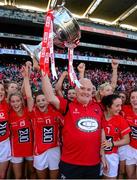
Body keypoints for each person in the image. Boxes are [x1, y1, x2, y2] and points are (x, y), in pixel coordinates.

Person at [41, 72, 108, 179]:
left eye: (88, 89)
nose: (85, 92)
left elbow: (102, 131)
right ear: (76, 90)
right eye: (82, 88)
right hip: (70, 163)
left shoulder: (99, 108)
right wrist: (43, 72)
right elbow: (49, 96)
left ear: (92, 92)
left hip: (93, 164)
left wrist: (102, 153)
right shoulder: (67, 105)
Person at [23, 63, 63, 179]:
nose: (41, 102)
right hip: (39, 151)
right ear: (36, 103)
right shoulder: (33, 113)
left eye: (43, 100)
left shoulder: (56, 112)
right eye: (38, 101)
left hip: (54, 150)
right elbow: (29, 97)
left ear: (48, 101)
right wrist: (26, 77)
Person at [101, 94, 130, 179]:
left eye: (121, 105)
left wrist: (112, 143)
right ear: (108, 107)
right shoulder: (99, 115)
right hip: (95, 154)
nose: (120, 108)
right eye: (117, 106)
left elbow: (127, 140)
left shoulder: (121, 120)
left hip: (111, 155)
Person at [8, 92, 35, 179]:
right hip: (16, 151)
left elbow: (30, 97)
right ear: (10, 103)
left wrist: (26, 78)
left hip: (30, 149)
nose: (16, 104)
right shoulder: (9, 115)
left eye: (18, 101)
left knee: (32, 172)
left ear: (22, 101)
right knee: (18, 177)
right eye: (13, 101)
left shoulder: (28, 111)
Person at [122, 89, 137, 179]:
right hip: (129, 148)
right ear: (129, 99)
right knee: (130, 176)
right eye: (133, 97)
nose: (135, 99)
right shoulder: (124, 109)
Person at [0, 83, 11, 179]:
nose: (0, 92)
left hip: (4, 144)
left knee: (2, 176)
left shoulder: (6, 105)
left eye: (2, 89)